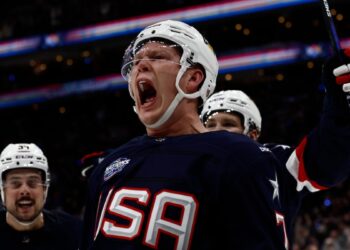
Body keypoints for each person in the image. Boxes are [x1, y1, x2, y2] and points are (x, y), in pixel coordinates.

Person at [81, 19, 350, 250]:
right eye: (213, 122)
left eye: (157, 56)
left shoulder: (255, 159)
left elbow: (327, 160)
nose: (140, 65)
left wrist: (341, 110)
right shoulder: (112, 166)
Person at [199, 50, 350, 247]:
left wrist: (339, 107)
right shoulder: (184, 166)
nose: (217, 132)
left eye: (228, 124)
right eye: (210, 126)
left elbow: (327, 163)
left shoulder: (275, 161)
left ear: (252, 134)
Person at [0, 143, 82, 250]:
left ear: (44, 188)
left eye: (33, 182)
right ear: (2, 189)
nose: (25, 190)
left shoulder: (74, 231)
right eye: (15, 183)